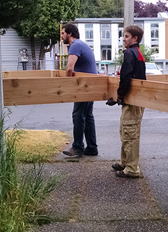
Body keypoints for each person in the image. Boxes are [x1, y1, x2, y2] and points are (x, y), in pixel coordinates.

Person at [107, 25, 146, 178]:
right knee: (125, 130)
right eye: (123, 36)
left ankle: (132, 168)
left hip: (133, 99)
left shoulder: (130, 53)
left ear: (135, 38)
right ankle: (125, 162)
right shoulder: (136, 53)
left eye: (127, 36)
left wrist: (119, 96)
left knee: (130, 133)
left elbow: (126, 78)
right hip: (133, 99)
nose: (124, 39)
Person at [61, 22, 98, 158]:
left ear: (70, 34)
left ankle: (77, 147)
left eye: (63, 33)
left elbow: (69, 68)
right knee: (87, 116)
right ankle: (92, 147)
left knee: (78, 116)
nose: (61, 36)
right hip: (91, 85)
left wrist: (67, 86)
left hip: (85, 86)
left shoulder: (75, 45)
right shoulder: (81, 44)